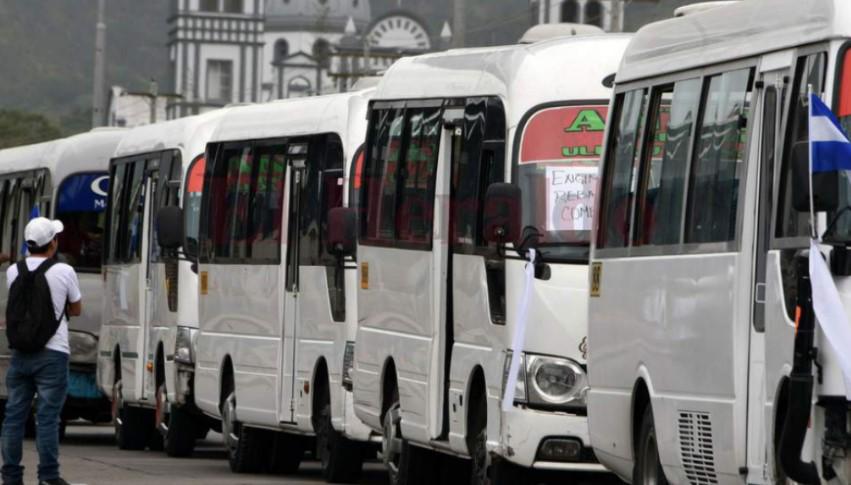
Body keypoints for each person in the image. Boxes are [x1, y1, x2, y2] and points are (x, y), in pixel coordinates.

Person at [2, 218, 80, 485]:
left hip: (21, 354)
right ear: (53, 243)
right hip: (53, 353)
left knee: (13, 417)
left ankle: (10, 477)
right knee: (47, 418)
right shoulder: (64, 271)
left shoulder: (13, 271)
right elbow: (77, 308)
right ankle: (48, 476)